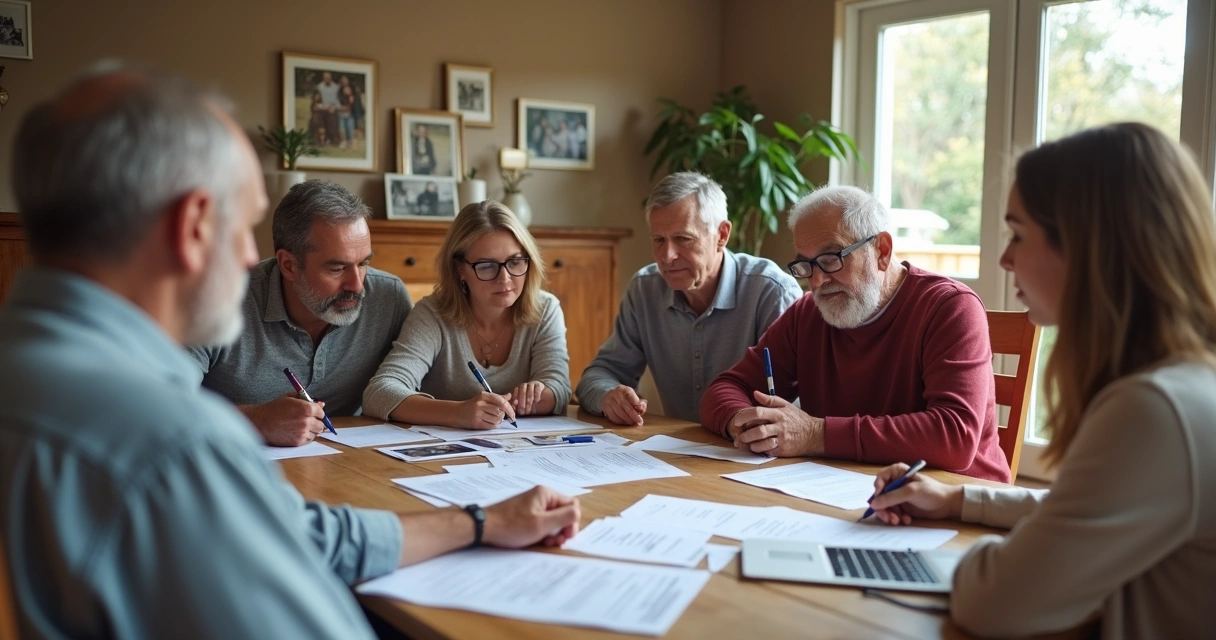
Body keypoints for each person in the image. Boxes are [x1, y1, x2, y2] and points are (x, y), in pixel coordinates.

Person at [0, 62, 580, 639]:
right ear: (194, 227)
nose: (244, 260)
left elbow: (292, 531)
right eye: (243, 225)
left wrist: (479, 521)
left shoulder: (26, 369)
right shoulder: (173, 444)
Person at [867, 122, 1216, 638]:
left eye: (1018, 233)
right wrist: (957, 500)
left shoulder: (1154, 409)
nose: (1005, 258)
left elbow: (995, 603)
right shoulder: (1185, 383)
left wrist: (995, 557)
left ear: (1089, 246)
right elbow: (1086, 508)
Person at [701, 185, 1008, 482]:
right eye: (805, 265)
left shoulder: (950, 308)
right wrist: (746, 424)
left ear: (882, 251)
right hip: (842, 490)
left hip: (954, 501)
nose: (818, 281)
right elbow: (726, 387)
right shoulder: (808, 313)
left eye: (832, 258)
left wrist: (814, 434)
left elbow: (954, 437)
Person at [187, 180, 411, 447]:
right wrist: (255, 420)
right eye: (337, 268)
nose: (357, 285)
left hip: (353, 467)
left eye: (363, 263)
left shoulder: (389, 297)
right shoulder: (216, 299)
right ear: (289, 265)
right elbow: (158, 402)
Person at [575, 172, 802, 426]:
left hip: (753, 453)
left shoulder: (771, 292)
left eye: (683, 239)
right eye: (658, 240)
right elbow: (598, 375)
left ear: (722, 235)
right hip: (676, 452)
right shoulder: (645, 290)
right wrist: (608, 395)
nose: (667, 256)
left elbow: (787, 406)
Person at [364, 200, 571, 429]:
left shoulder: (546, 309)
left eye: (515, 262)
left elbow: (560, 390)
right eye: (486, 266)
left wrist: (540, 395)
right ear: (460, 269)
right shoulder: (433, 314)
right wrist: (458, 413)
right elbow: (379, 393)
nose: (505, 278)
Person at [315, 71, 340, 146]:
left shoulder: (336, 87)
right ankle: (322, 140)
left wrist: (333, 107)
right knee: (320, 119)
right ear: (323, 78)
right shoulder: (320, 87)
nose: (327, 79)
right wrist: (321, 107)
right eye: (325, 78)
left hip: (332, 108)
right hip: (322, 109)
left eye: (328, 78)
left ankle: (333, 139)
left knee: (332, 118)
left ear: (331, 78)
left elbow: (338, 100)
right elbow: (317, 99)